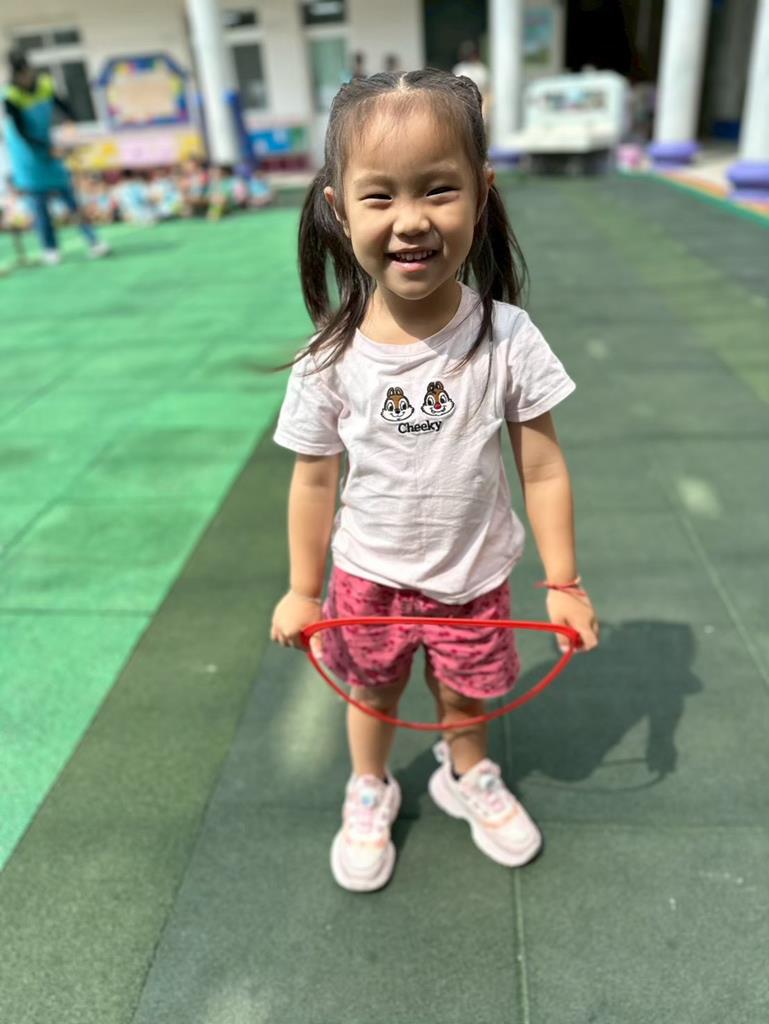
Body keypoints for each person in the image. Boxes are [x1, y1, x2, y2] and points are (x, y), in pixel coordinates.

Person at [270, 69, 599, 893]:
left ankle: (466, 773)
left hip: (473, 575)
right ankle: (369, 786)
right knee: (371, 692)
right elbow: (313, 482)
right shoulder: (328, 359)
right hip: (367, 576)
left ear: (481, 195)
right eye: (379, 196)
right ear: (338, 208)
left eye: (438, 189)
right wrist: (303, 591)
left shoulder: (506, 338)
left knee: (464, 696)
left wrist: (564, 582)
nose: (411, 219)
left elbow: (541, 465)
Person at [2, 50, 110, 264]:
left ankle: (93, 240)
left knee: (70, 198)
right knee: (40, 205)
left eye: (28, 72)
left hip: (48, 146)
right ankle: (50, 249)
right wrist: (47, 149)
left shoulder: (44, 84)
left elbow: (63, 105)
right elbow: (22, 132)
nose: (27, 78)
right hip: (27, 155)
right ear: (16, 76)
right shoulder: (10, 96)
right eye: (22, 75)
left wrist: (71, 122)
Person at [452, 41, 491, 123]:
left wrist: (485, 108)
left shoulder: (481, 69)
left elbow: (487, 91)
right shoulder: (460, 68)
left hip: (481, 106)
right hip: (465, 106)